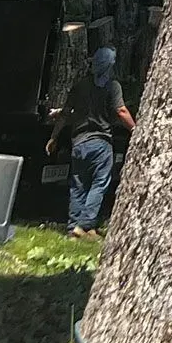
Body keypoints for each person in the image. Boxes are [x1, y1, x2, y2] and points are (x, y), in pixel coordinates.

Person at [48, 43, 134, 239]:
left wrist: (54, 137)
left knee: (78, 185)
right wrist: (135, 129)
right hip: (101, 142)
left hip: (78, 143)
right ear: (111, 64)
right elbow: (121, 111)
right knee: (99, 183)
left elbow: (65, 114)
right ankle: (85, 225)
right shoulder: (113, 86)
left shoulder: (80, 85)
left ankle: (73, 228)